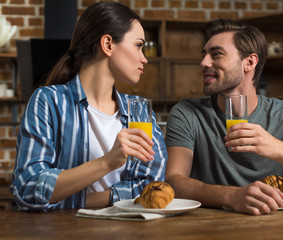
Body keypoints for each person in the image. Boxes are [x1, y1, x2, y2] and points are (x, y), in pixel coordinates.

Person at [165, 19, 283, 215]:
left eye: (216, 54)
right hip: (204, 227)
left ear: (249, 62)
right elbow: (174, 181)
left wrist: (277, 148)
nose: (204, 63)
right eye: (204, 55)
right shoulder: (187, 112)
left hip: (271, 225)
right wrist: (232, 196)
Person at [11, 1, 167, 211]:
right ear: (108, 44)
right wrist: (107, 162)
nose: (144, 59)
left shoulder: (137, 111)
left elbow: (152, 186)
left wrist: (77, 201)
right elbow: (27, 188)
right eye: (138, 45)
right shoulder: (48, 101)